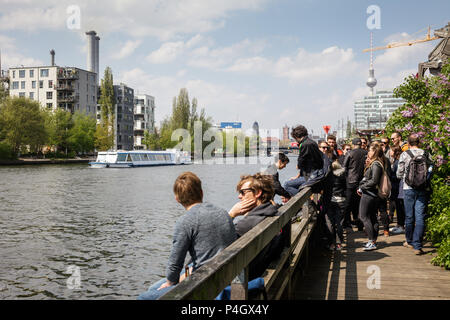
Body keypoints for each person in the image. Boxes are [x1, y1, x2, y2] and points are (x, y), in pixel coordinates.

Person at [138, 172, 236, 300]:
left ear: (177, 199)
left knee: (144, 297)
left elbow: (175, 262)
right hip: (226, 271)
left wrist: (170, 283)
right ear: (201, 192)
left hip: (205, 281)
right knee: (153, 288)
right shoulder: (222, 212)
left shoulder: (185, 221)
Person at [229, 173, 285, 280]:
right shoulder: (273, 211)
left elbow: (216, 247)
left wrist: (231, 215)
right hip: (263, 267)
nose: (239, 196)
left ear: (258, 193)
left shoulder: (245, 225)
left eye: (243, 192)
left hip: (246, 279)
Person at [396, 133, 433, 255]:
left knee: (409, 216)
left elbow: (399, 173)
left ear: (408, 142)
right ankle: (418, 245)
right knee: (420, 216)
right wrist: (426, 179)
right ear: (419, 142)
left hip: (408, 188)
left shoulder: (404, 154)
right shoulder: (426, 153)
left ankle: (409, 241)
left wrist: (404, 178)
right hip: (422, 188)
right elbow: (431, 168)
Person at [357, 142, 385, 251]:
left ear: (374, 152)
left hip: (369, 194)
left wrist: (362, 186)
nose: (368, 152)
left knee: (364, 216)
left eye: (370, 150)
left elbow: (374, 181)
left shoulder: (376, 164)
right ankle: (373, 241)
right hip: (371, 194)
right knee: (372, 217)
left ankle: (371, 241)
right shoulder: (374, 163)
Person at [284, 125, 324, 196]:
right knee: (297, 185)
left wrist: (298, 165)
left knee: (287, 185)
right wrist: (297, 176)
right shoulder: (312, 142)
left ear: (296, 137)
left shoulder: (305, 144)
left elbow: (301, 161)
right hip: (315, 174)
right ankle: (305, 200)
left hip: (310, 176)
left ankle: (305, 202)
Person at [342, 138, 367, 230]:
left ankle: (345, 223)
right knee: (360, 203)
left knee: (347, 203)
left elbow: (344, 167)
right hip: (362, 181)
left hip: (350, 181)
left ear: (353, 144)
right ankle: (360, 224)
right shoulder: (366, 153)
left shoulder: (350, 153)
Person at [324, 160, 346, 251]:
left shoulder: (328, 176)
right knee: (339, 223)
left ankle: (331, 243)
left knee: (330, 222)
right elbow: (346, 188)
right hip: (341, 200)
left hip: (330, 200)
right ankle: (339, 243)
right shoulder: (343, 176)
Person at [389, 146, 405, 234]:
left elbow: (397, 175)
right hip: (396, 187)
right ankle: (399, 224)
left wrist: (390, 176)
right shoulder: (395, 160)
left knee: (400, 206)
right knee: (398, 206)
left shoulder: (398, 161)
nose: (390, 152)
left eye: (391, 150)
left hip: (398, 186)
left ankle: (401, 225)